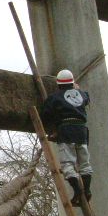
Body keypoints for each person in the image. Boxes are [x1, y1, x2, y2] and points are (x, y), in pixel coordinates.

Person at [42, 69, 93, 204]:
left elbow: (46, 112)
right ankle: (87, 190)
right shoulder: (82, 95)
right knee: (84, 163)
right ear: (72, 83)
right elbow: (86, 97)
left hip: (66, 130)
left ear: (59, 84)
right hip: (82, 130)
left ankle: (77, 192)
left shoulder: (55, 97)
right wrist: (77, 89)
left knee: (67, 165)